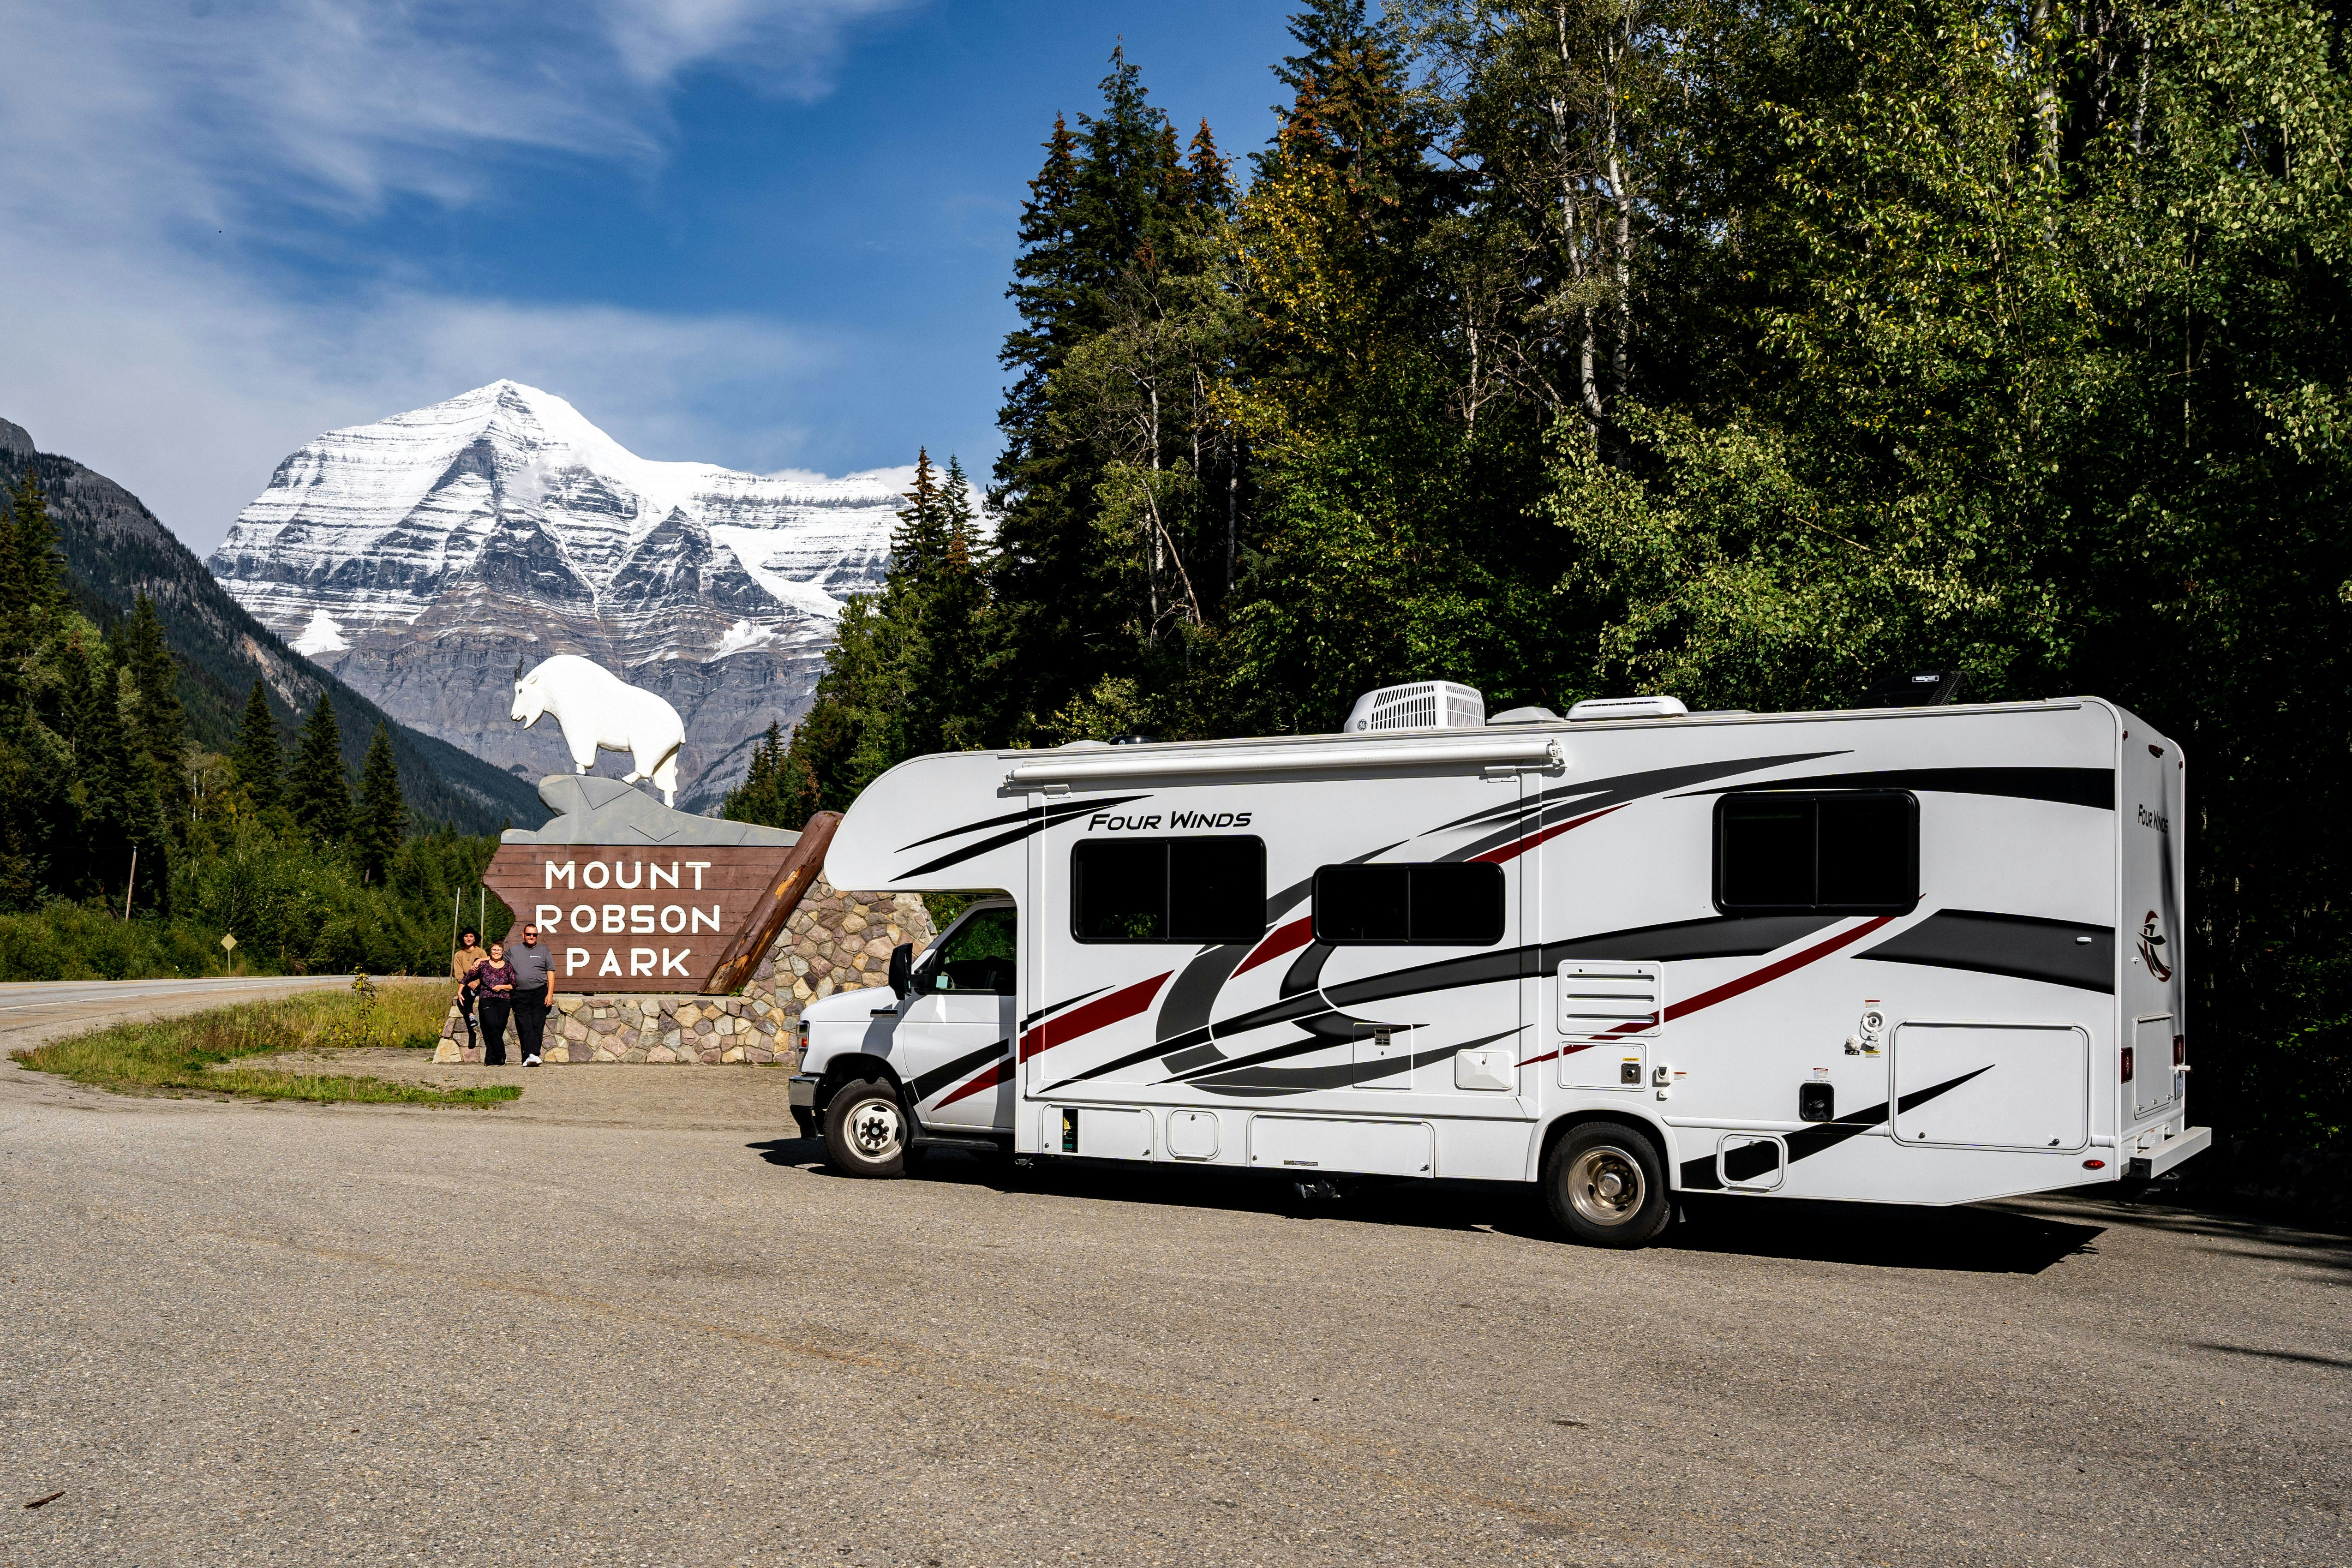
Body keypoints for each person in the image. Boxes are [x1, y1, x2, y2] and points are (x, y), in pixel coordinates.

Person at [506, 922, 554, 1068]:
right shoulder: (513, 951)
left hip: (540, 992)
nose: (532, 937)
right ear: (523, 935)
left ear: (537, 936)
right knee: (525, 1024)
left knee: (537, 1025)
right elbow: (496, 959)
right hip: (520, 994)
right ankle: (531, 1055)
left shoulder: (544, 951)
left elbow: (551, 973)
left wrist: (550, 994)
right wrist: (480, 960)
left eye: (534, 935)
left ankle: (532, 1055)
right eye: (529, 934)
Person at [475, 941, 517, 1067]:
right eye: (494, 950)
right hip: (487, 999)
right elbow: (468, 977)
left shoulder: (508, 966)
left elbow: (514, 985)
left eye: (499, 950)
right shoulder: (484, 965)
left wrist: (502, 987)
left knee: (498, 1028)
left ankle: (490, 1058)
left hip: (504, 999)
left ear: (503, 952)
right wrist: (462, 990)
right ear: (490, 951)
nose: (497, 952)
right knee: (492, 1026)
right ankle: (501, 1055)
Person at [450, 928, 487, 1050]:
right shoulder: (459, 955)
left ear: (475, 939)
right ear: (463, 939)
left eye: (471, 936)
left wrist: (477, 982)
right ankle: (471, 1015)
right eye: (466, 936)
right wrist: (468, 982)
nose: (469, 939)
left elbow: (487, 969)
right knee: (463, 995)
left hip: (480, 982)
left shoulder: (481, 952)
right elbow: (459, 974)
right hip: (466, 982)